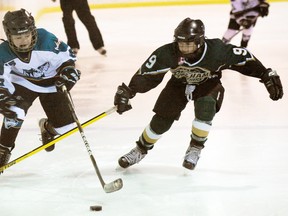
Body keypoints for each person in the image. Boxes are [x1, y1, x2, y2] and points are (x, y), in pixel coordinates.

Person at [113, 17, 283, 170]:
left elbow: (244, 58)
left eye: (189, 44)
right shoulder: (168, 52)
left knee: (205, 109)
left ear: (200, 41)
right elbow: (148, 75)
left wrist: (265, 73)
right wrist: (129, 91)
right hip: (178, 84)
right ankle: (140, 149)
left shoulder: (216, 51)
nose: (184, 48)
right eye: (181, 44)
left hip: (208, 83)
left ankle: (195, 148)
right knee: (161, 121)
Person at [0, 9, 81, 172]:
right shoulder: (3, 52)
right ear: (9, 37)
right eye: (17, 37)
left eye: (26, 35)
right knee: (14, 112)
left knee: (66, 128)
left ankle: (48, 128)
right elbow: (2, 80)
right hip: (23, 83)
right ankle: (3, 150)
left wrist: (68, 72)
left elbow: (67, 59)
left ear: (33, 32)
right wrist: (3, 96)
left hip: (51, 83)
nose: (23, 41)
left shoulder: (46, 40)